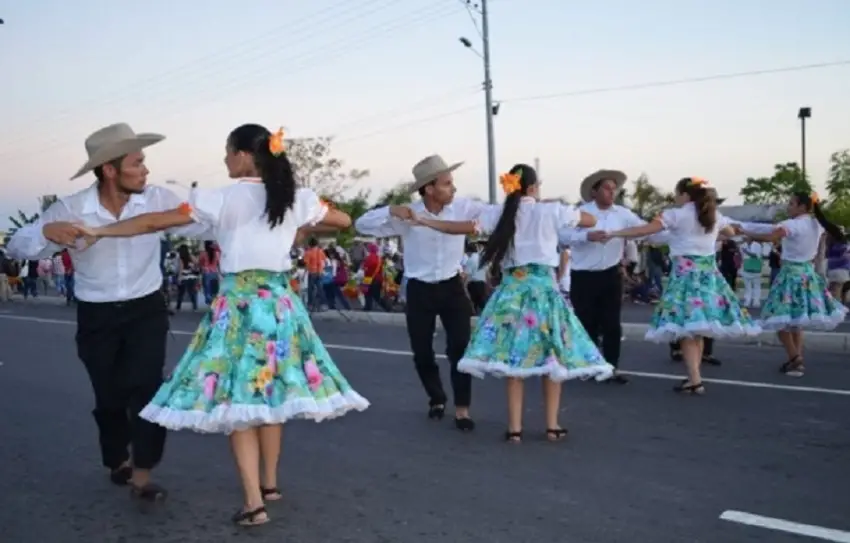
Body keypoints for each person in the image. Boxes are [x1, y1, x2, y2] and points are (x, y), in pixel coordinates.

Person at [76, 123, 369, 526]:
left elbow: (151, 223)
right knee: (272, 394)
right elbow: (342, 220)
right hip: (280, 304)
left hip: (239, 305)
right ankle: (269, 484)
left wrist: (98, 231)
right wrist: (295, 222)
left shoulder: (220, 198)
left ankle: (254, 504)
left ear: (245, 156)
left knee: (240, 401)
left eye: (228, 152)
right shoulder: (294, 197)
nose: (225, 159)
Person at [5, 123, 212, 500]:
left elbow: (202, 220)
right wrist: (46, 232)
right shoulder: (72, 208)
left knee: (148, 389)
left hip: (146, 309)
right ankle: (118, 458)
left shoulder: (158, 199)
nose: (146, 170)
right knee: (110, 396)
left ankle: (143, 476)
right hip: (96, 315)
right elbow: (18, 246)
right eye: (138, 162)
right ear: (110, 170)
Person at [407, 164, 612, 442]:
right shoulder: (550, 210)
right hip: (544, 291)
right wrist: (559, 210)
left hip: (512, 292)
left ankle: (514, 428)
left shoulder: (500, 214)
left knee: (514, 361)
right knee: (551, 358)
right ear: (532, 187)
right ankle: (552, 425)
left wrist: (427, 221)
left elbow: (462, 228)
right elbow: (589, 220)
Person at [354, 154, 488, 430]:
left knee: (461, 348)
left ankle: (462, 409)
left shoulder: (463, 207)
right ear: (429, 188)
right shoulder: (408, 214)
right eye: (447, 183)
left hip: (452, 285)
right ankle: (436, 397)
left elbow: (490, 217)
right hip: (419, 289)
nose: (453, 189)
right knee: (422, 351)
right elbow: (361, 225)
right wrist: (391, 210)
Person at [602, 177, 760, 394]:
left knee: (687, 328)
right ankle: (695, 377)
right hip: (708, 277)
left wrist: (614, 233)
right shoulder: (712, 214)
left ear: (685, 195)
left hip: (685, 277)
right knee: (699, 327)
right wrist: (716, 231)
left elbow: (645, 230)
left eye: (677, 193)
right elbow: (731, 232)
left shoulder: (676, 214)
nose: (675, 197)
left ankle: (694, 379)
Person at [559, 169, 666, 384]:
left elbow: (642, 229)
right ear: (594, 191)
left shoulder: (623, 214)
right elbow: (563, 236)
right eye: (606, 188)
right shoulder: (580, 212)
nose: (611, 192)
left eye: (614, 188)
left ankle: (611, 367)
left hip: (610, 274)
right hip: (583, 275)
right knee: (586, 321)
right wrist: (587, 236)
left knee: (612, 323)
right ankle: (588, 366)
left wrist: (662, 229)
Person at [735, 191, 848, 377]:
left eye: (791, 203)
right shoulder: (817, 224)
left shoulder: (792, 225)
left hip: (790, 274)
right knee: (797, 321)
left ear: (802, 206)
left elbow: (772, 236)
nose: (788, 206)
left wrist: (747, 234)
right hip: (807, 275)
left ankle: (795, 358)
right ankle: (796, 359)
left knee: (778, 319)